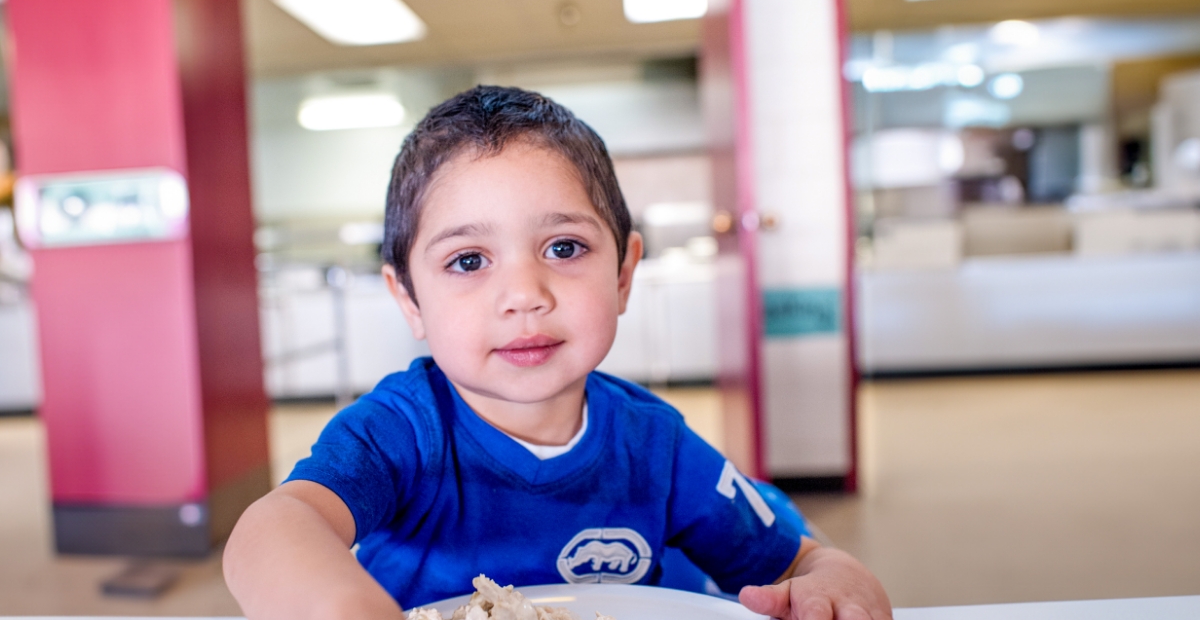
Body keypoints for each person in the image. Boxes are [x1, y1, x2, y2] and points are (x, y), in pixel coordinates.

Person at [224, 86, 891, 620]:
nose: (523, 294)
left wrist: (832, 576)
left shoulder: (656, 445)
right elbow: (277, 524)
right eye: (468, 260)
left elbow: (795, 559)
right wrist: (338, 605)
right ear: (408, 299)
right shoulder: (399, 431)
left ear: (624, 272)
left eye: (564, 248)